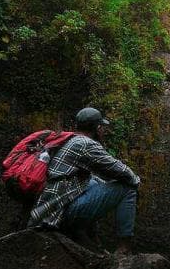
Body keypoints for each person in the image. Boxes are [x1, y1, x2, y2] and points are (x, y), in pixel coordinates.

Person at [28, 107, 141, 254]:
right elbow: (120, 170)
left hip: (48, 210)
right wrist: (136, 181)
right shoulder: (86, 144)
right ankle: (124, 248)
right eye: (102, 127)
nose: (103, 131)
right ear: (98, 128)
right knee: (127, 188)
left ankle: (86, 238)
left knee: (94, 182)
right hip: (61, 213)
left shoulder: (68, 140)